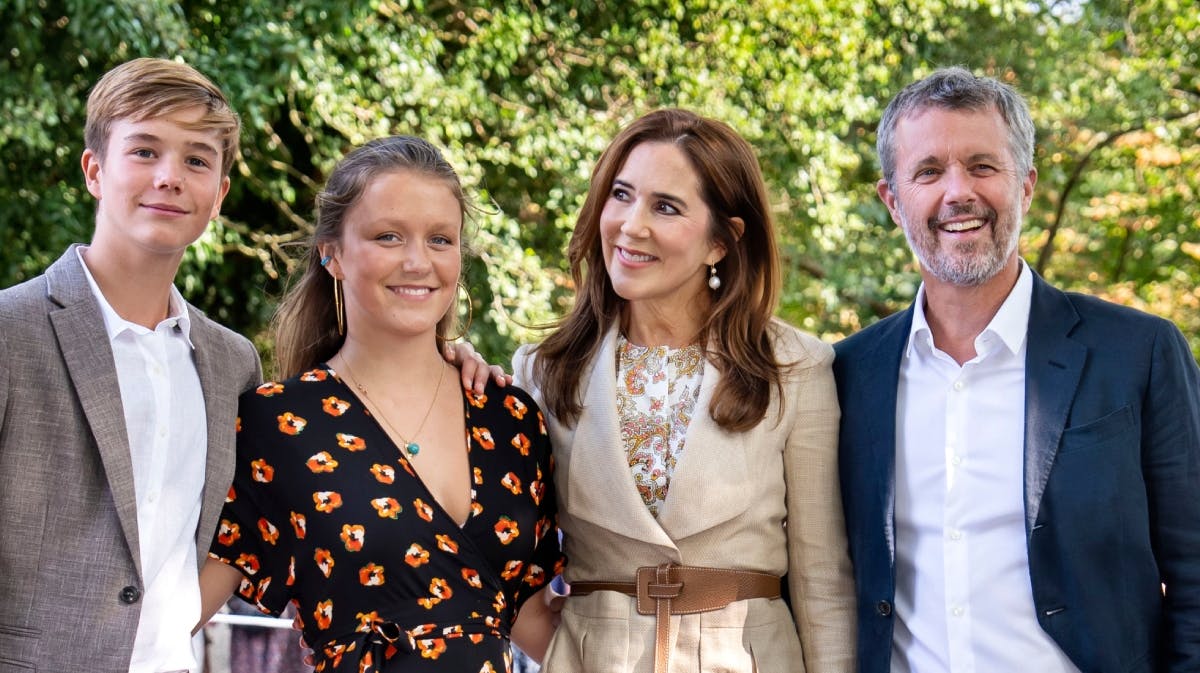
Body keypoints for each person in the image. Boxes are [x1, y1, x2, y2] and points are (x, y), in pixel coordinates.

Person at [834, 66, 1200, 673]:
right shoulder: (848, 374)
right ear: (893, 202)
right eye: (928, 171)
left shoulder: (1140, 353)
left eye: (982, 166)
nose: (958, 192)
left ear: (1025, 186)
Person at [198, 135, 565, 672]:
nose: (418, 261)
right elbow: (189, 601)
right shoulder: (275, 425)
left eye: (440, 239)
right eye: (389, 236)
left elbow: (533, 618)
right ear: (333, 254)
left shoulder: (509, 417)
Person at [512, 108, 856, 673]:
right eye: (620, 195)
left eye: (665, 207)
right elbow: (499, 557)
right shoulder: (542, 372)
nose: (630, 224)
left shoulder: (795, 367)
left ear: (722, 242)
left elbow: (823, 583)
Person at [0, 57, 263, 673]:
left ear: (219, 194)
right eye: (144, 151)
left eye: (197, 160)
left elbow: (239, 531)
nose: (170, 177)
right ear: (94, 171)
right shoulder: (11, 332)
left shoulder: (233, 364)